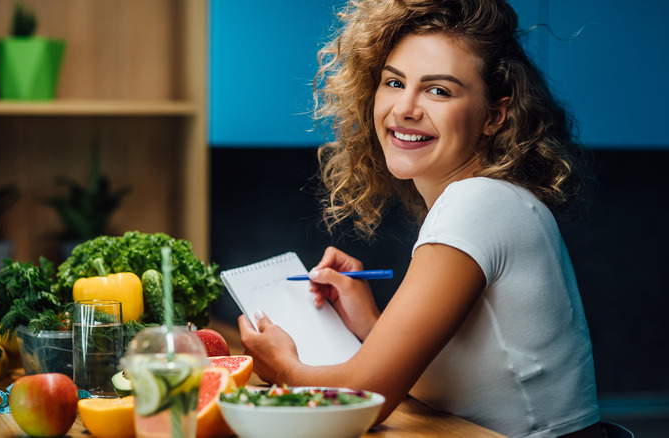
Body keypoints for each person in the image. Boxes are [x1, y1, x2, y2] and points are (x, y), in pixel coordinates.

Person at [237, 1, 602, 437]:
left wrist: (284, 368)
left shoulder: (477, 203)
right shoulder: (494, 200)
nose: (405, 108)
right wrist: (370, 322)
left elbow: (360, 401)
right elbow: (454, 383)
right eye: (394, 82)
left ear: (494, 115)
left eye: (439, 90)